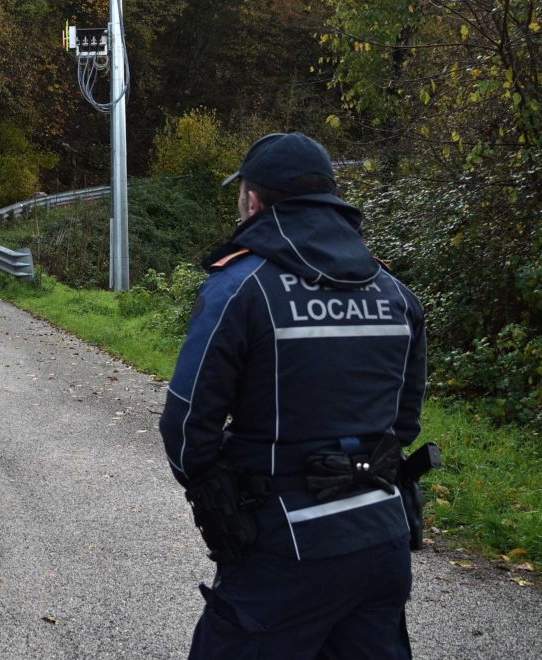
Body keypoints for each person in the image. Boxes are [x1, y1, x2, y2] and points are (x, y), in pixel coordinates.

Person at [158, 132, 427, 659]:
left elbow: (186, 425)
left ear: (254, 201)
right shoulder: (396, 293)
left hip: (284, 549)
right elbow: (405, 422)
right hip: (383, 537)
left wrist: (214, 492)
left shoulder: (241, 285)